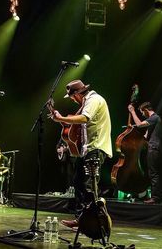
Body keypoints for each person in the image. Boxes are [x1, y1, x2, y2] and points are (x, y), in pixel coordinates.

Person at [50, 79, 113, 228]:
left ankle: (93, 221)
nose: (72, 100)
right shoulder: (87, 102)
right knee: (79, 183)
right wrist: (62, 120)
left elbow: (85, 118)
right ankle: (82, 220)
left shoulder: (93, 99)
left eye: (72, 97)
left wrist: (61, 118)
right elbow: (76, 127)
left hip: (96, 148)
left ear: (77, 93)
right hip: (88, 149)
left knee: (88, 186)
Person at [128, 101, 162, 204]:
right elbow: (145, 137)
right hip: (152, 148)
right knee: (152, 173)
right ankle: (154, 196)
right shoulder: (152, 121)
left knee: (153, 173)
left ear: (146, 110)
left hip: (154, 148)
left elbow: (139, 124)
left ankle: (156, 197)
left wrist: (132, 111)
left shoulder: (154, 117)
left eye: (142, 112)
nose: (142, 115)